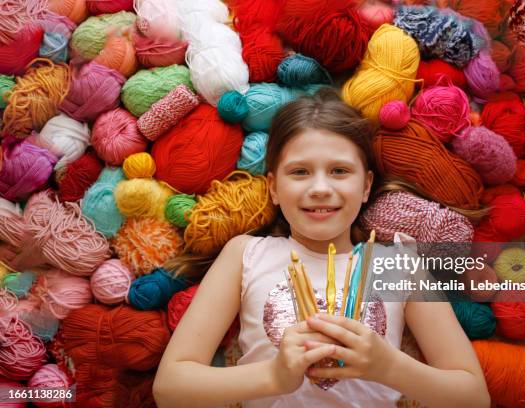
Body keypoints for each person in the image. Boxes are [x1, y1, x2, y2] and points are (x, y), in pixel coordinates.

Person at [153, 89, 490, 408]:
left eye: (339, 171)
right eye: (299, 172)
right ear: (273, 187)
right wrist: (272, 376)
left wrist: (388, 367)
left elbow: (474, 397)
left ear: (366, 186)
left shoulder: (401, 265)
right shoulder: (245, 254)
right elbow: (170, 389)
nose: (319, 188)